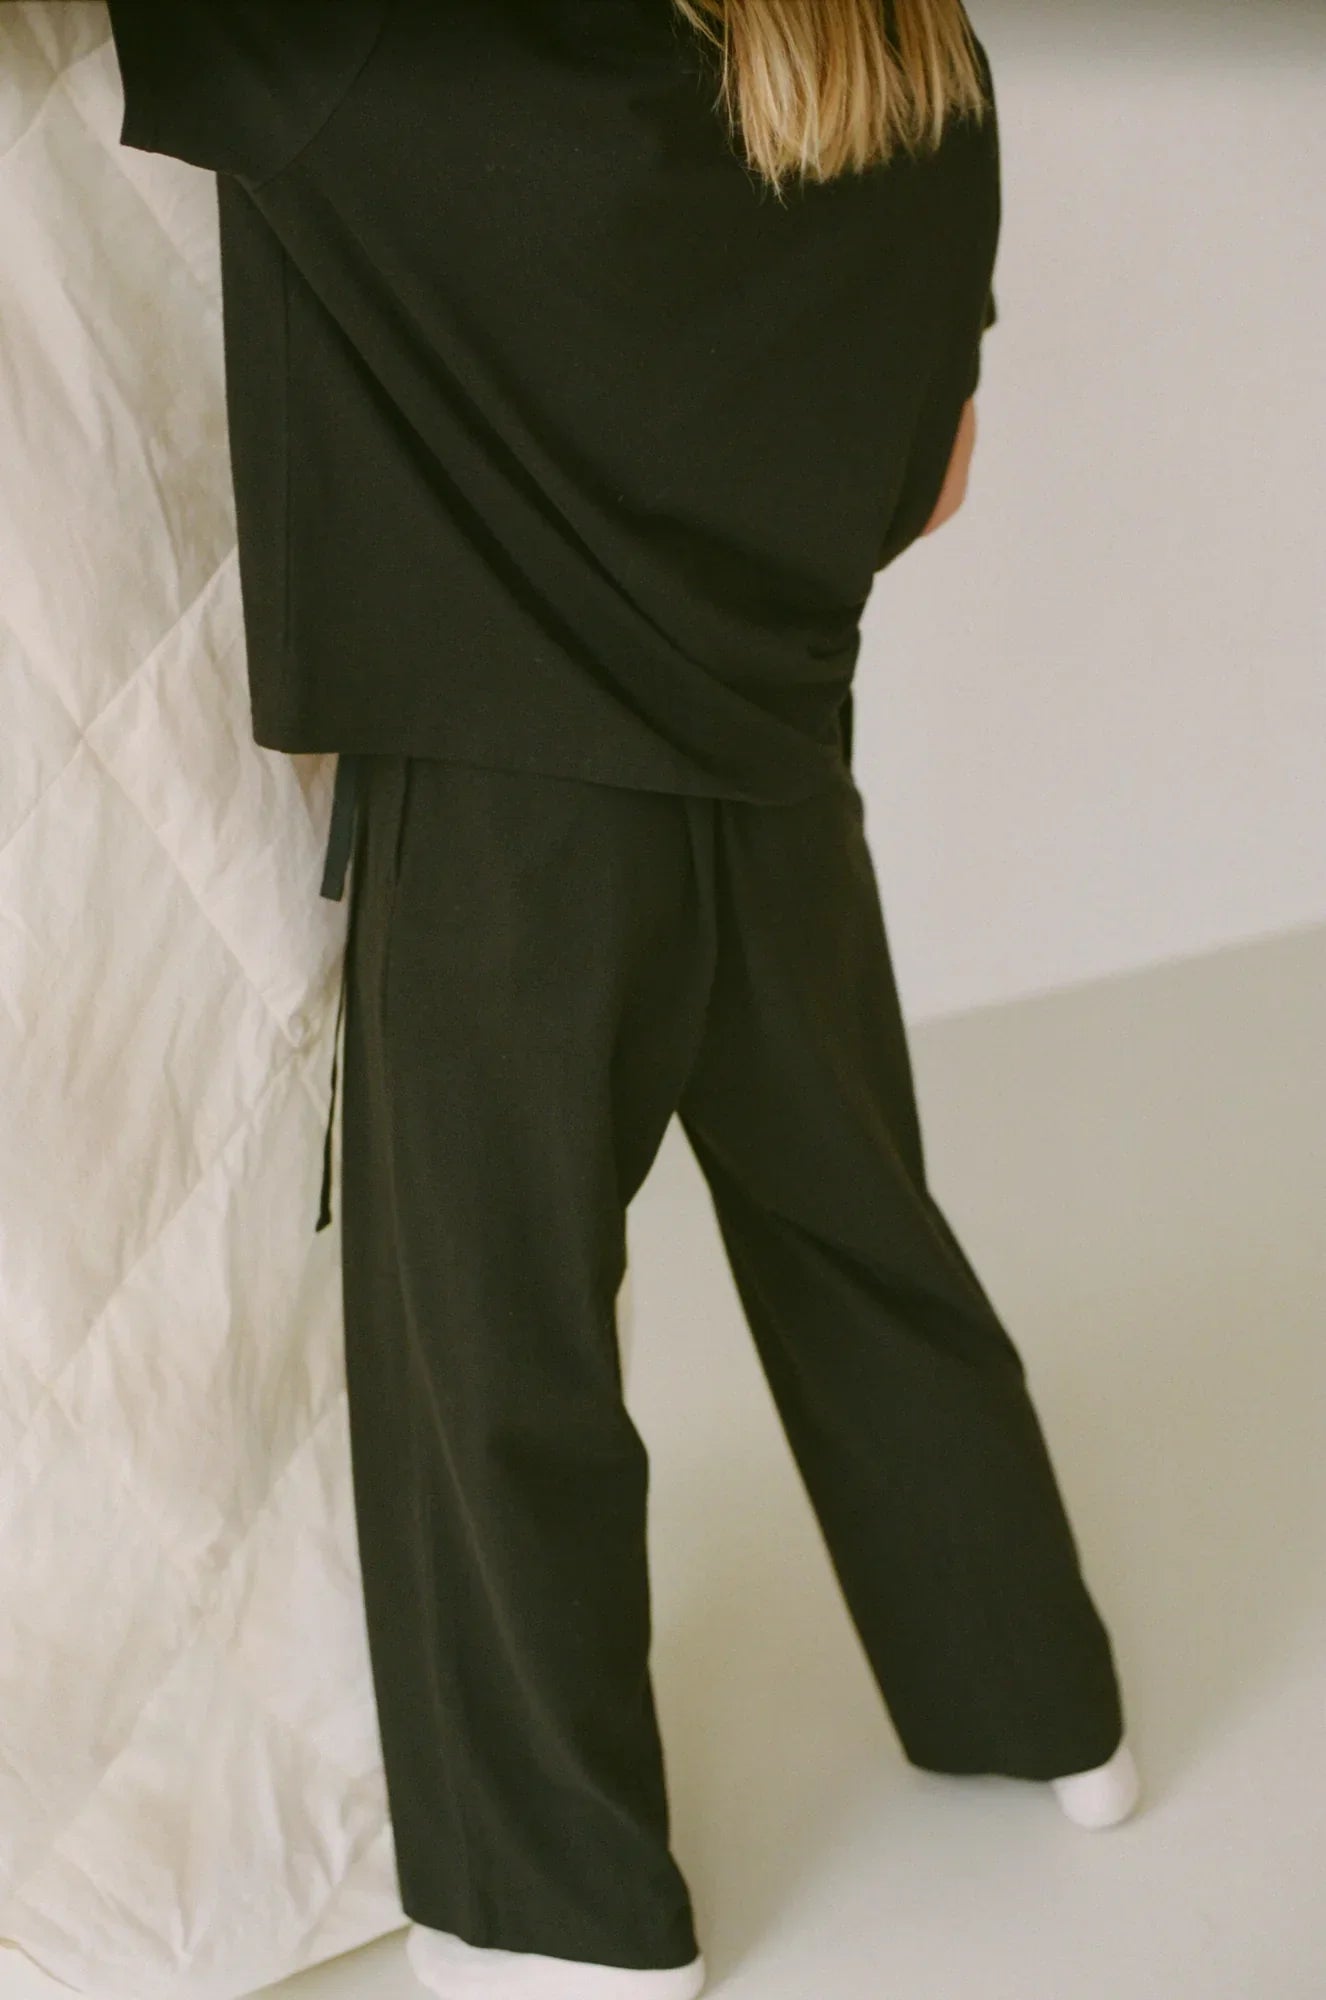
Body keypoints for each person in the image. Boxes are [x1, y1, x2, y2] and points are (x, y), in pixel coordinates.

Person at [107, 4, 1141, 1996]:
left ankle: (562, 1912)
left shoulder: (398, 54)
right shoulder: (926, 63)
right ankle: (1048, 1712)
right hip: (781, 770)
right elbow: (933, 479)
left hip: (515, 823)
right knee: (869, 1253)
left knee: (492, 1358)